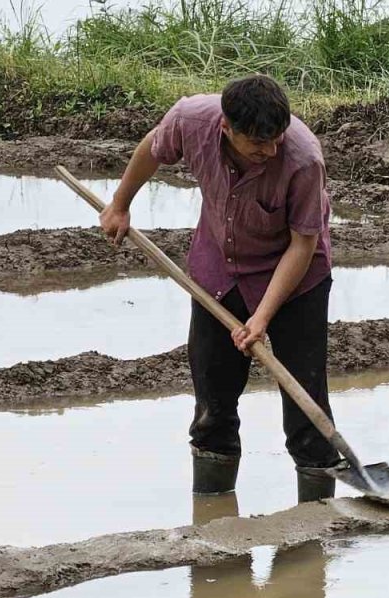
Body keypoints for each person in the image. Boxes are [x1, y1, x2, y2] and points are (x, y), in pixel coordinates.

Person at [100, 74, 339, 503]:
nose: (268, 151)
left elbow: (303, 245)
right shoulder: (191, 119)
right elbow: (152, 149)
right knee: (213, 399)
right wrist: (120, 204)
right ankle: (213, 514)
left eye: (275, 140)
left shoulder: (303, 159)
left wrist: (262, 318)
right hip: (219, 270)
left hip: (294, 279)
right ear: (226, 129)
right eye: (256, 143)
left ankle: (316, 515)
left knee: (306, 404)